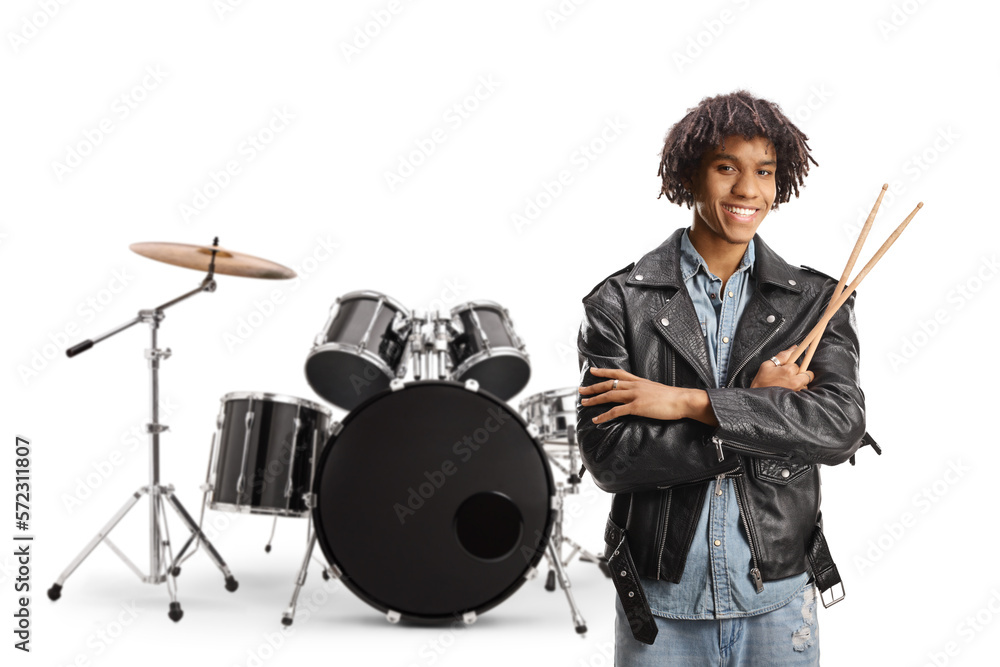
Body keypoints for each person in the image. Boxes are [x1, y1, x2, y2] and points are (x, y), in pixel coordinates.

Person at [576, 90, 876, 665]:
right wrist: (759, 409)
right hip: (660, 606)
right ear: (691, 176)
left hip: (780, 597)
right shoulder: (618, 302)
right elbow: (610, 457)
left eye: (764, 171)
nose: (747, 190)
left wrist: (690, 403)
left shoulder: (818, 301)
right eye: (726, 168)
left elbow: (839, 428)